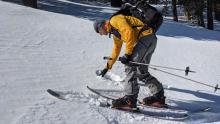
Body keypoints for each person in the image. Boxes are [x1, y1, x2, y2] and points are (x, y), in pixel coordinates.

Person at [93, 14, 166, 109]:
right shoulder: (115, 33)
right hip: (149, 39)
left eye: (99, 32)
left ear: (101, 26)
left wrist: (127, 54)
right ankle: (158, 96)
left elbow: (129, 31)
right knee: (141, 71)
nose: (100, 34)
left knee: (130, 66)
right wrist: (107, 67)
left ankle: (130, 99)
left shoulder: (114, 20)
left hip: (146, 38)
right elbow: (116, 50)